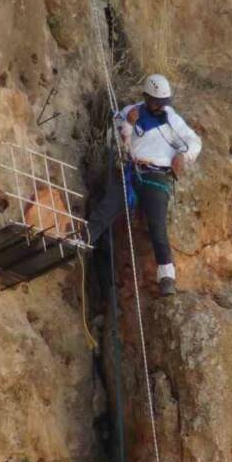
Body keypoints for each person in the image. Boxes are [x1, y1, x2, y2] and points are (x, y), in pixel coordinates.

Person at [87, 74, 202, 296]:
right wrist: (128, 125)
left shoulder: (172, 120)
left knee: (157, 224)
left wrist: (183, 155)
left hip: (156, 176)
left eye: (163, 103)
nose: (160, 107)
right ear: (146, 98)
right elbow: (113, 139)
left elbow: (193, 141)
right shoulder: (130, 112)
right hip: (129, 170)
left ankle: (167, 276)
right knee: (107, 208)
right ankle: (83, 241)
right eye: (156, 102)